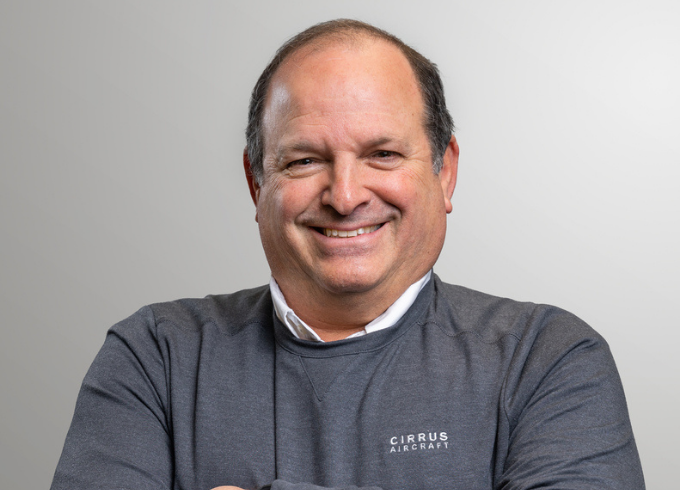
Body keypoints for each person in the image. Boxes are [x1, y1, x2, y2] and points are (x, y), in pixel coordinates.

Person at [50, 19, 645, 490]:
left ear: (444, 173)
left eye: (383, 154)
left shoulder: (546, 359)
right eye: (304, 160)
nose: (345, 195)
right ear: (257, 184)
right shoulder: (156, 358)